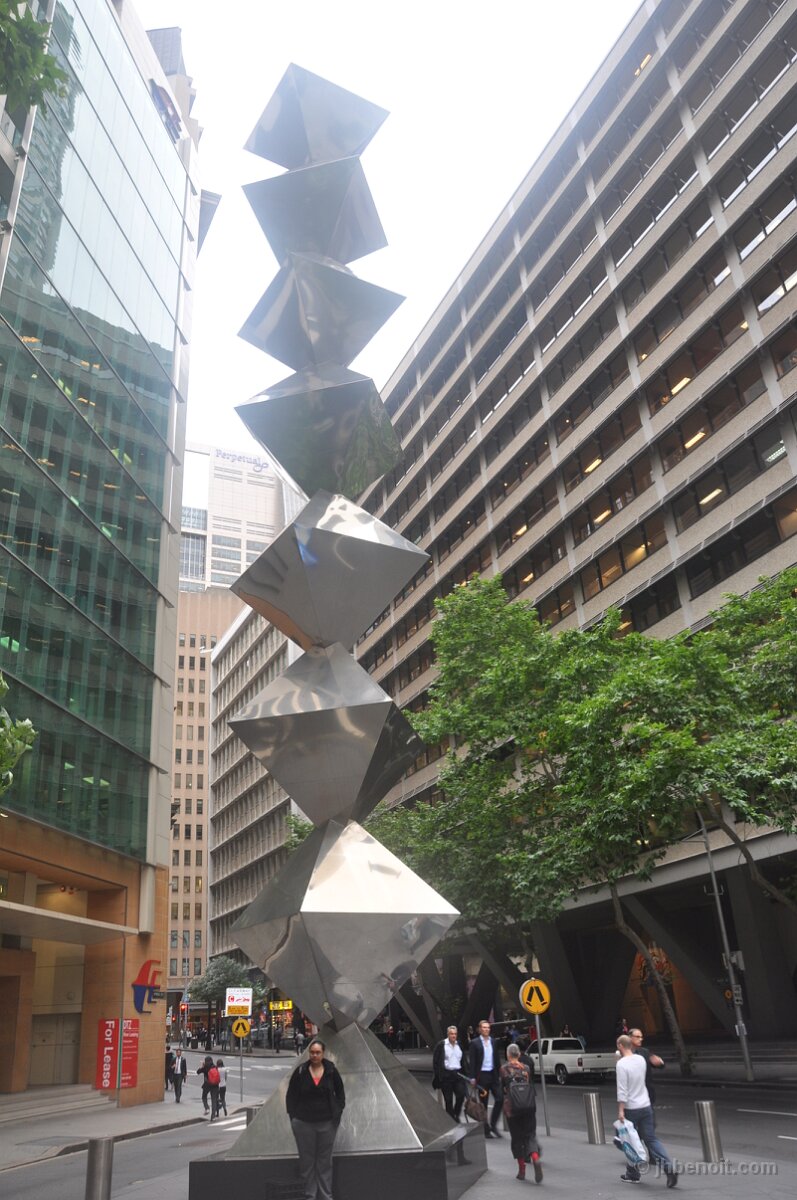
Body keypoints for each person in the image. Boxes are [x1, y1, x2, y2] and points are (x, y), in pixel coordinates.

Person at [286, 1038, 345, 1200]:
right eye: (312, 1052)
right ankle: (309, 1195)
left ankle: (326, 1196)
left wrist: (338, 1112)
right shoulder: (301, 1072)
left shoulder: (331, 1071)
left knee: (325, 1162)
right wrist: (293, 1118)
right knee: (307, 1161)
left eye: (318, 1052)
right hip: (303, 1123)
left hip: (327, 1123)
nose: (314, 1055)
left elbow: (340, 1093)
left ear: (323, 1053)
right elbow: (291, 1096)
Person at [616, 1034, 677, 1186]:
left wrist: (621, 1110)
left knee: (630, 1140)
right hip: (645, 1104)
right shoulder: (641, 1059)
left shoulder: (621, 1064)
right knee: (651, 1139)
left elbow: (622, 1089)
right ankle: (668, 1167)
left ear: (620, 1046)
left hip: (631, 1107)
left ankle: (633, 1174)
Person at [500, 1043, 542, 1183]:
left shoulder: (504, 1069)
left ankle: (522, 1170)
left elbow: (502, 1088)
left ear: (508, 1055)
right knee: (530, 1134)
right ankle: (535, 1157)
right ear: (518, 1054)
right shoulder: (526, 1068)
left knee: (517, 1137)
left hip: (512, 1108)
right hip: (528, 1106)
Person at [469, 1019, 504, 1138]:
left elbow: (497, 1059)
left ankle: (493, 1125)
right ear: (480, 1029)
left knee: (500, 1098)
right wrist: (472, 1077)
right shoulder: (474, 1043)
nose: (486, 1029)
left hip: (493, 1074)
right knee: (483, 1104)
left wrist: (501, 1074)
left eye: (488, 1027)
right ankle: (486, 1128)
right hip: (482, 1076)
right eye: (484, 1027)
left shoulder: (493, 1041)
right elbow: (472, 1061)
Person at [432, 1025, 467, 1122]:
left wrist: (466, 1073)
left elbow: (463, 1061)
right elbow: (436, 1062)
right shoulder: (441, 1045)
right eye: (451, 1034)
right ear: (448, 1034)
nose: (453, 1036)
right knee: (448, 1100)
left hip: (458, 1075)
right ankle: (451, 1120)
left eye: (455, 1034)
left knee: (461, 1096)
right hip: (446, 1076)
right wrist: (438, 1075)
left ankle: (456, 1114)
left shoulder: (459, 1045)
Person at [630, 1028, 665, 1104]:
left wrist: (659, 1063)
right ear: (630, 1037)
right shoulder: (625, 1053)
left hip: (647, 1092)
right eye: (637, 1037)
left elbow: (656, 1063)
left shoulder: (644, 1051)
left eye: (641, 1037)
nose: (641, 1039)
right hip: (633, 1094)